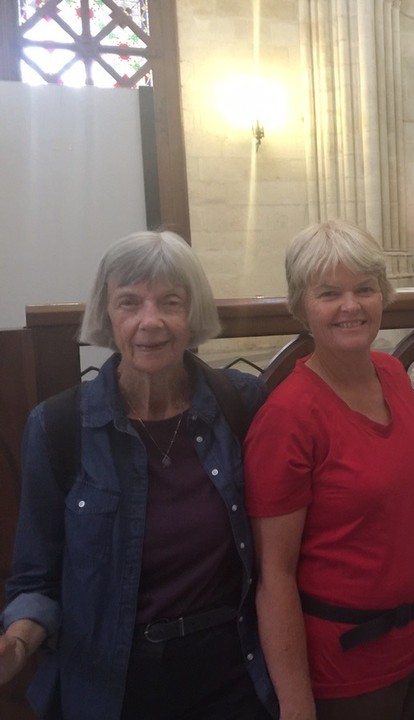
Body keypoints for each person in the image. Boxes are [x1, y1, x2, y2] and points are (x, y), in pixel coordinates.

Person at [0, 231, 276, 719]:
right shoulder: (59, 426)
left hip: (233, 677)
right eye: (129, 302)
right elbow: (36, 579)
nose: (150, 321)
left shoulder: (242, 404)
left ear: (192, 316)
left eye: (170, 301)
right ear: (108, 315)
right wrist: (18, 642)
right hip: (115, 687)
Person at [243, 219, 414, 720]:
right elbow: (274, 577)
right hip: (349, 671)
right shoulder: (288, 417)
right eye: (329, 294)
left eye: (365, 289)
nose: (351, 306)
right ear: (301, 305)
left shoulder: (393, 374)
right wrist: (296, 704)